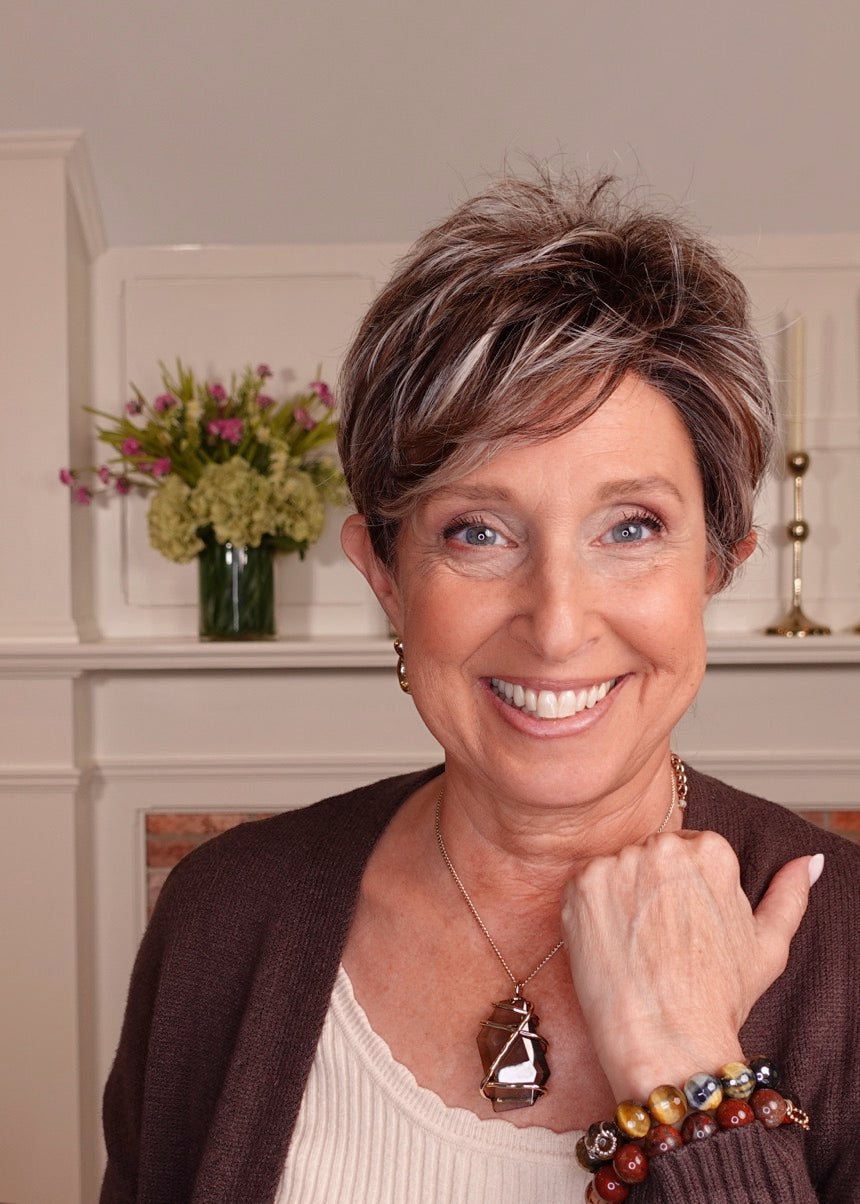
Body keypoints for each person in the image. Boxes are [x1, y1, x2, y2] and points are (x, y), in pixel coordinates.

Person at [101, 173, 859, 1204]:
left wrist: (688, 1068)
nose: (556, 622)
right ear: (383, 573)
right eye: (478, 532)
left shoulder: (847, 947)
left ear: (718, 564)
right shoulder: (220, 914)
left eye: (630, 527)